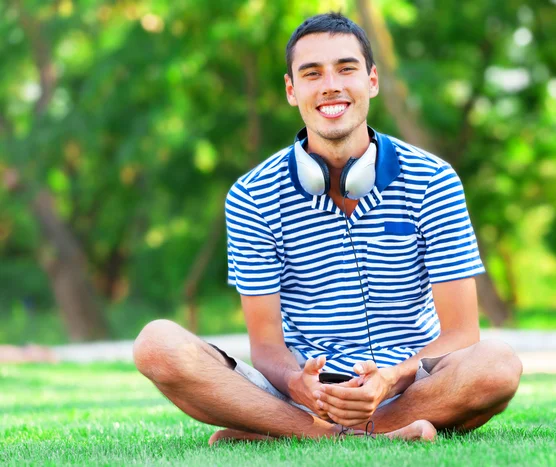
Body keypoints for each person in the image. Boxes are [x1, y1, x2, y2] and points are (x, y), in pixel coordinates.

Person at [133, 12, 522, 444]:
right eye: (312, 73)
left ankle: (294, 436)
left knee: (498, 364)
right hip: (300, 396)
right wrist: (298, 384)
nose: (330, 85)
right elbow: (266, 347)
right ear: (291, 89)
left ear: (372, 81)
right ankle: (338, 433)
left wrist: (389, 380)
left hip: (411, 387)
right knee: (156, 344)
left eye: (346, 68)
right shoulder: (251, 195)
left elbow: (462, 333)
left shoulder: (433, 179)